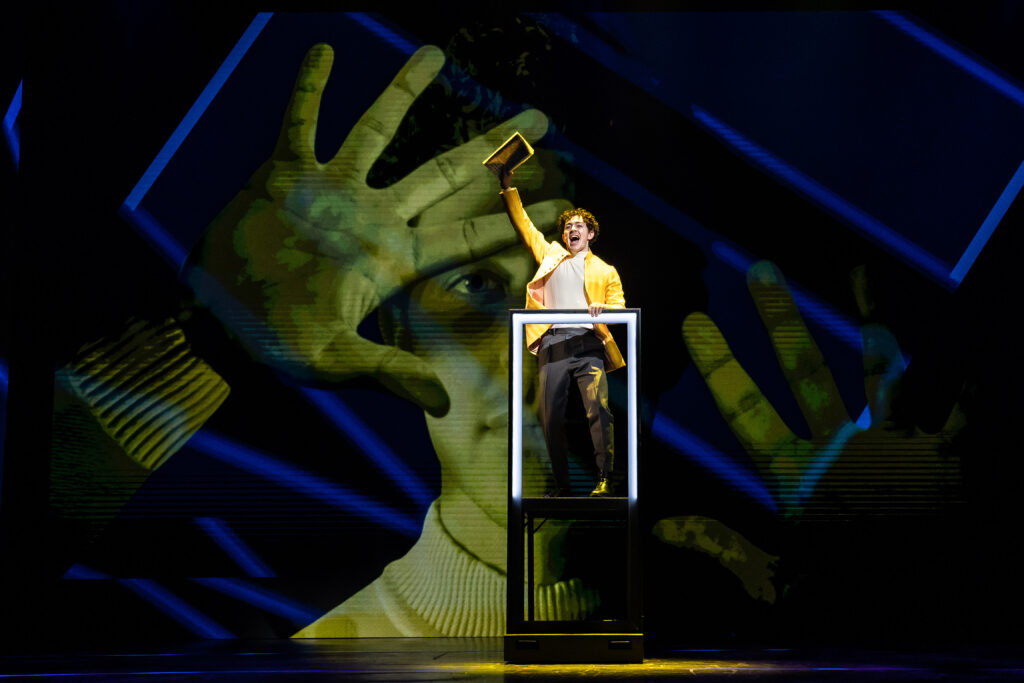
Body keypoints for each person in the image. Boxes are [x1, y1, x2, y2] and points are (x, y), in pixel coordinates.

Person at [495, 169, 625, 497]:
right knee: (549, 417)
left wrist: (602, 310)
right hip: (553, 343)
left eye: (578, 226)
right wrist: (507, 188)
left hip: (588, 344)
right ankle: (563, 486)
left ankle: (605, 479)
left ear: (591, 234)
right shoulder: (550, 256)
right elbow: (524, 224)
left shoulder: (605, 270)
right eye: (568, 227)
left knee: (599, 410)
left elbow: (620, 309)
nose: (571, 230)